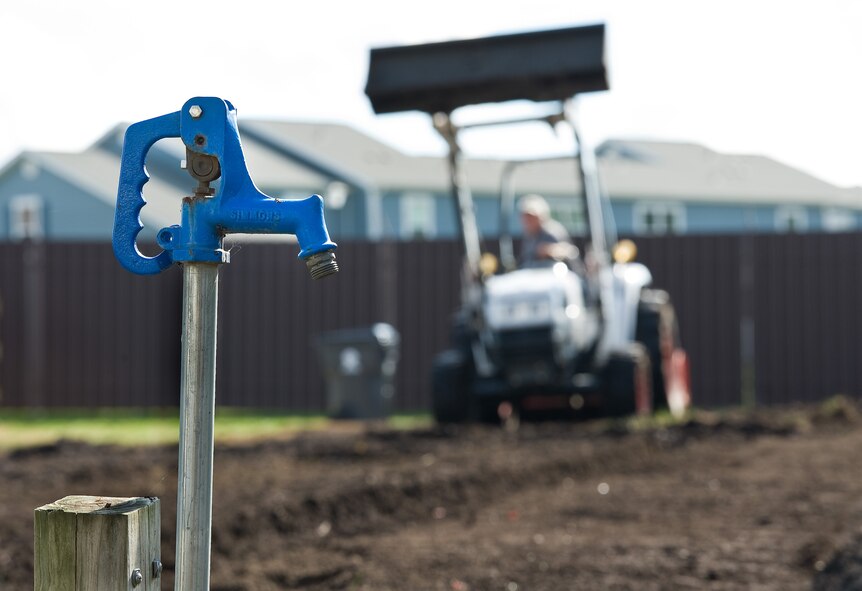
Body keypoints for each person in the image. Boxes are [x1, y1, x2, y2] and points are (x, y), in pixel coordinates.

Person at [518, 194, 576, 267]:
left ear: (541, 216)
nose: (527, 220)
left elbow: (569, 252)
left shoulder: (553, 232)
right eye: (525, 217)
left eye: (531, 217)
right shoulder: (529, 235)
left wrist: (550, 250)